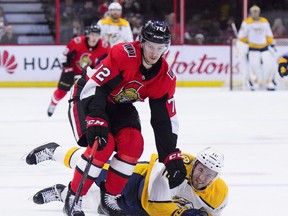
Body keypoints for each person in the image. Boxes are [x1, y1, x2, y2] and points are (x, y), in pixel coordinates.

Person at [26, 20, 187, 216]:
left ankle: (110, 196)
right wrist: (96, 118)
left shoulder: (165, 77)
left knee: (133, 145)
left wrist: (170, 154)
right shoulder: (124, 54)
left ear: (166, 48)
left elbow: (164, 119)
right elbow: (97, 87)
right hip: (88, 95)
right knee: (102, 145)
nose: (154, 53)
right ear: (142, 43)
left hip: (119, 105)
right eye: (151, 46)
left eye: (159, 48)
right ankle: (73, 195)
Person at [27, 145, 228, 215]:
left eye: (208, 174)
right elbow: (155, 203)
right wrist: (179, 214)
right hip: (138, 181)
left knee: (98, 207)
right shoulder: (179, 165)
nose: (202, 177)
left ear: (215, 177)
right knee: (93, 167)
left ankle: (61, 193)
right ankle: (55, 151)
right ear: (194, 164)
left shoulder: (218, 195)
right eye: (200, 169)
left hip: (142, 210)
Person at [47, 24, 110, 117]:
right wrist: (67, 68)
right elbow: (64, 55)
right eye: (92, 34)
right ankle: (53, 103)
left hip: (88, 74)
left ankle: (88, 114)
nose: (94, 37)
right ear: (88, 34)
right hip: (71, 71)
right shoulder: (77, 41)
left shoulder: (104, 46)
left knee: (90, 95)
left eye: (97, 35)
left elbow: (109, 61)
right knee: (61, 92)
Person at [237, 5, 277, 91]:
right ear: (251, 13)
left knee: (269, 65)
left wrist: (272, 44)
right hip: (253, 48)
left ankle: (269, 82)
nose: (255, 13)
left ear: (259, 12)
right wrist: (244, 44)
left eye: (257, 11)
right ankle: (254, 83)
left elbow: (268, 34)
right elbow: (241, 36)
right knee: (254, 67)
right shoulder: (246, 22)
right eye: (254, 12)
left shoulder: (264, 21)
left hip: (264, 47)